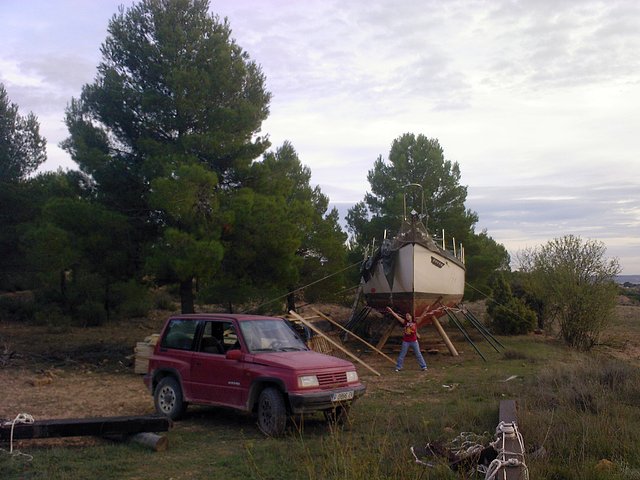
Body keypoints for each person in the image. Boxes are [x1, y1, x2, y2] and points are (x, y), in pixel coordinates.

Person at [386, 306, 427, 372]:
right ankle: (398, 367)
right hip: (406, 341)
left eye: (408, 315)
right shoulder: (405, 322)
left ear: (411, 316)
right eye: (406, 316)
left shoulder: (415, 322)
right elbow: (397, 317)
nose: (407, 316)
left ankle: (424, 366)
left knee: (418, 354)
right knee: (402, 354)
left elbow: (422, 317)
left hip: (414, 341)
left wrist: (425, 310)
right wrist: (391, 311)